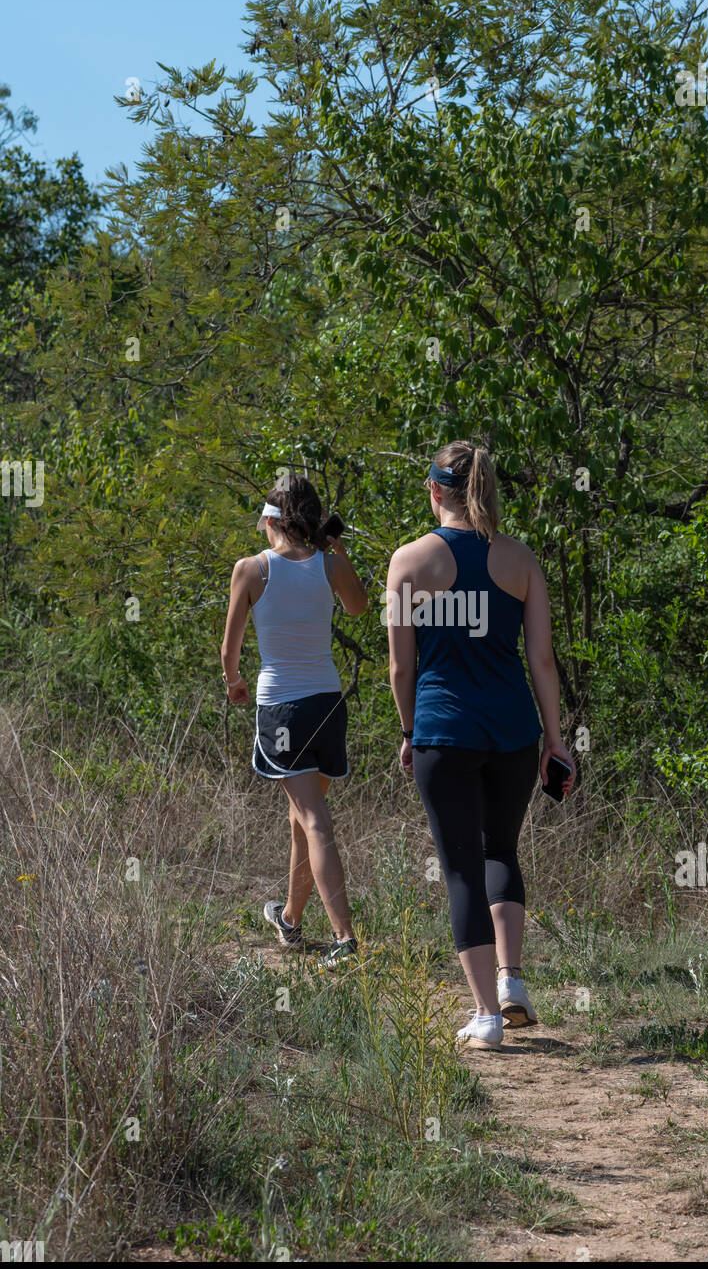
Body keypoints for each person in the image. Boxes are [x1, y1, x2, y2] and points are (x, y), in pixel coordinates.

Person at [386, 441, 577, 1049]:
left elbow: (399, 667)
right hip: (514, 733)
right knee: (502, 851)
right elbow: (542, 660)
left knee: (460, 866)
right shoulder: (521, 560)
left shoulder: (408, 563)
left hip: (444, 732)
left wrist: (410, 730)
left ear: (436, 491)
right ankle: (511, 981)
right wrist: (556, 739)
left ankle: (485, 1016)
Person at [220, 475, 368, 968]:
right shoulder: (328, 565)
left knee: (314, 819)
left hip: (282, 706)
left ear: (269, 520)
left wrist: (234, 681)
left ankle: (345, 939)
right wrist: (337, 552)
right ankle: (290, 918)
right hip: (327, 703)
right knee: (300, 818)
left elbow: (229, 649)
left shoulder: (251, 570)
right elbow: (358, 606)